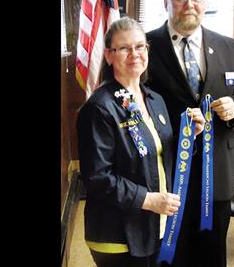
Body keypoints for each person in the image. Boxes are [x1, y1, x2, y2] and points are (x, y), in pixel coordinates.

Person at [145, 0, 234, 267]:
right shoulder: (144, 47)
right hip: (168, 173)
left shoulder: (227, 45)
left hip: (217, 173)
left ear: (205, 3)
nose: (189, 4)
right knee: (171, 252)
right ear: (166, 3)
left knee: (212, 253)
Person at [76, 17, 205, 267]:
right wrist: (149, 200)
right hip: (117, 233)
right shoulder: (99, 108)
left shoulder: (154, 99)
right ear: (109, 55)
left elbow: (159, 152)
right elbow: (97, 178)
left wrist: (191, 136)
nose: (134, 54)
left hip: (154, 224)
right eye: (124, 48)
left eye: (140, 47)